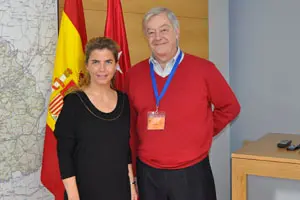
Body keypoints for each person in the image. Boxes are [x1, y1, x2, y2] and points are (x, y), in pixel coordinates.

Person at [125, 7, 241, 200]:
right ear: (146, 37)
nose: (158, 37)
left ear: (177, 31)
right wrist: (133, 175)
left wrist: (203, 131)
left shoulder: (204, 70)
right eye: (151, 32)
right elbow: (131, 127)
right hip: (148, 174)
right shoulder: (133, 75)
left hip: (192, 173)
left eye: (164, 29)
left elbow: (230, 107)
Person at [54, 37, 138, 200]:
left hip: (120, 191)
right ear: (87, 65)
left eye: (108, 62)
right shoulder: (74, 102)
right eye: (95, 62)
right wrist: (73, 196)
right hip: (84, 192)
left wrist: (131, 186)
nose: (102, 69)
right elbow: (64, 153)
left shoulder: (124, 101)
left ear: (115, 65)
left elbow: (124, 149)